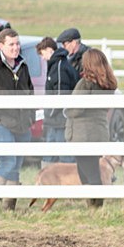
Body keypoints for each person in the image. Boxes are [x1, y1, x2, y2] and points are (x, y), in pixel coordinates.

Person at [64, 48, 118, 208]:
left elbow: (76, 108)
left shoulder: (85, 84)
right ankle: (93, 206)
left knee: (89, 173)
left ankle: (96, 206)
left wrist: (66, 110)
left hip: (83, 134)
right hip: (99, 132)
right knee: (90, 169)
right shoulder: (108, 85)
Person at [0, 28, 34, 211]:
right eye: (11, 44)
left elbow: (30, 91)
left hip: (22, 123)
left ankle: (8, 207)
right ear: (1, 46)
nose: (16, 47)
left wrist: (30, 117)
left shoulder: (23, 66)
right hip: (1, 123)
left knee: (16, 165)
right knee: (8, 161)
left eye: (17, 43)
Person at [37, 36, 79, 167]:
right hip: (56, 120)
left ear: (49, 50)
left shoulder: (59, 67)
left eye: (42, 54)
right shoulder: (57, 65)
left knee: (64, 156)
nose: (42, 58)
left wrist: (49, 113)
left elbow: (61, 95)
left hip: (60, 120)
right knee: (51, 154)